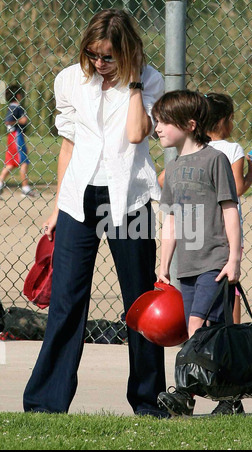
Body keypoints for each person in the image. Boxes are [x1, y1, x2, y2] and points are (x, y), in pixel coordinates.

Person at [23, 9, 169, 418]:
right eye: (93, 55)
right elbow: (68, 147)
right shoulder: (70, 78)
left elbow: (138, 134)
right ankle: (45, 404)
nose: (100, 64)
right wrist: (56, 206)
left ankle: (149, 401)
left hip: (132, 198)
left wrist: (135, 81)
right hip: (78, 199)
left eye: (108, 57)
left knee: (140, 302)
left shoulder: (151, 79)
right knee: (67, 302)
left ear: (127, 52)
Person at [152, 89, 243, 416]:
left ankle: (185, 395)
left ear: (190, 124)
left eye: (164, 122)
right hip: (186, 268)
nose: (157, 128)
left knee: (196, 328)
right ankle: (230, 397)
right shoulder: (174, 168)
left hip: (214, 264)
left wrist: (234, 258)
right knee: (201, 334)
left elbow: (230, 209)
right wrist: (164, 265)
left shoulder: (215, 160)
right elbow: (172, 219)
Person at [204, 92, 252, 324]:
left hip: (201, 227)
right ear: (224, 121)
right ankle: (232, 334)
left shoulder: (195, 147)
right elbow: (236, 189)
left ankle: (204, 336)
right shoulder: (233, 149)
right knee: (232, 284)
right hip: (227, 230)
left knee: (205, 281)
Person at [0, 85, 37, 198]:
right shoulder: (15, 107)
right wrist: (20, 120)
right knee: (24, 161)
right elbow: (8, 121)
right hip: (17, 136)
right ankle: (25, 188)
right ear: (17, 95)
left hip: (12, 136)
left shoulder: (12, 106)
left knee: (10, 163)